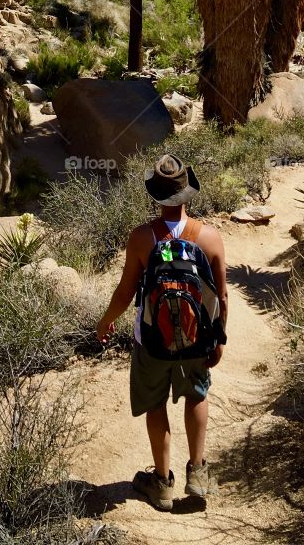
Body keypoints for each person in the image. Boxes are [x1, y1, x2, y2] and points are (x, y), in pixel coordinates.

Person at [96, 154, 228, 512]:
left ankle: (162, 482)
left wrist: (106, 320)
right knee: (196, 396)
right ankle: (198, 473)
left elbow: (126, 292)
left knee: (155, 403)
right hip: (196, 341)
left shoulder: (141, 238)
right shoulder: (210, 238)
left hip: (152, 342)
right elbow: (222, 296)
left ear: (155, 197)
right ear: (188, 194)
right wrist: (219, 339)